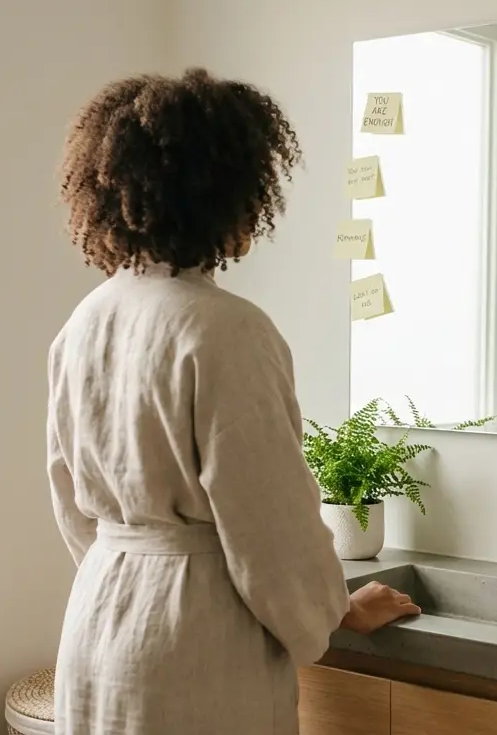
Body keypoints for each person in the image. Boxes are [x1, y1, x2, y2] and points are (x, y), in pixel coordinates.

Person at [47, 68, 421, 735]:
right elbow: (268, 518)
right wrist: (335, 610)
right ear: (229, 190)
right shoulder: (226, 328)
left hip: (98, 614)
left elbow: (68, 495)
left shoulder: (86, 320)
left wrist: (135, 568)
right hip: (196, 638)